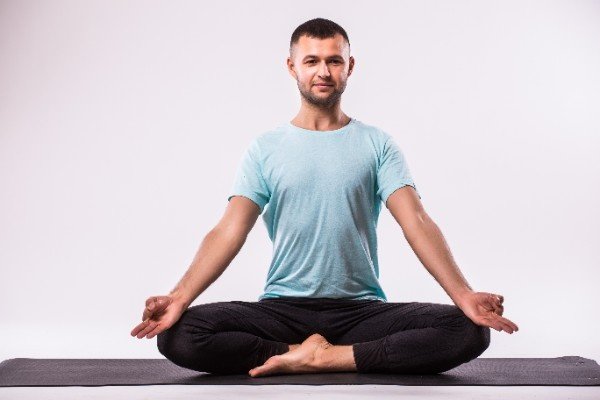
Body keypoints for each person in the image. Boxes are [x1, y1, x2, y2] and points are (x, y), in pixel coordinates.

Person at [130, 17, 519, 377]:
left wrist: (463, 294)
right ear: (291, 67)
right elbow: (230, 229)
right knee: (180, 334)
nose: (323, 71)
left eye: (334, 61)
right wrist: (179, 296)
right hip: (282, 309)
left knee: (467, 331)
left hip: (361, 312)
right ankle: (302, 350)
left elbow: (415, 220)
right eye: (311, 60)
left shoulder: (377, 144)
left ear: (350, 67)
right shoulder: (265, 148)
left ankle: (322, 356)